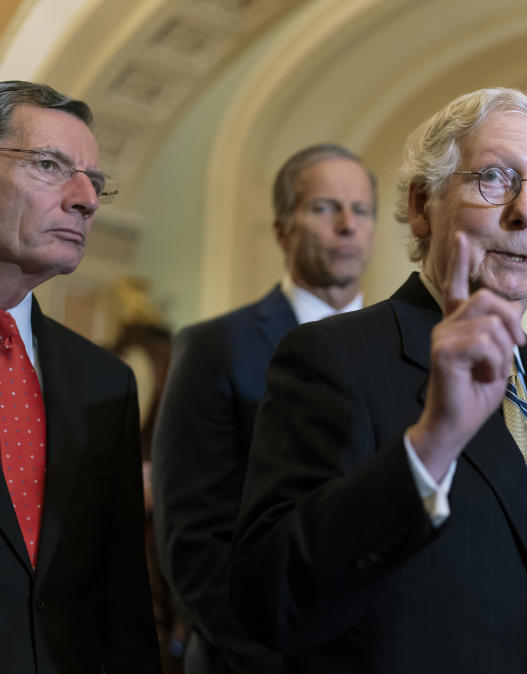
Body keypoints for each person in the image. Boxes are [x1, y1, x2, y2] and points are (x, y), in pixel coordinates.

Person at [230, 88, 527, 673]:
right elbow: (271, 600)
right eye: (494, 179)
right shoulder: (333, 355)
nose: (526, 212)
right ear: (420, 205)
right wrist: (432, 440)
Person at [152, 143, 377, 673]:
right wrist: (272, 657)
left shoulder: (403, 346)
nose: (348, 225)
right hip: (254, 658)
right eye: (324, 208)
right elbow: (193, 538)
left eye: (361, 210)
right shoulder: (214, 348)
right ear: (282, 230)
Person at [0, 81, 160, 672]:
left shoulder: (105, 382)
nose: (86, 199)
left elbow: (120, 596)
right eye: (50, 165)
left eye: (94, 180)